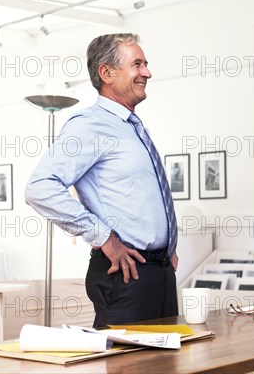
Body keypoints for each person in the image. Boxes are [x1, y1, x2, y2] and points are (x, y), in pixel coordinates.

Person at [25, 33, 179, 328]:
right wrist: (104, 237)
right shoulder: (90, 126)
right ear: (107, 73)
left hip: (157, 273)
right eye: (137, 65)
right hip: (125, 275)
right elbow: (40, 188)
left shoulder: (131, 127)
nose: (147, 72)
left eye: (145, 64)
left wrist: (166, 249)